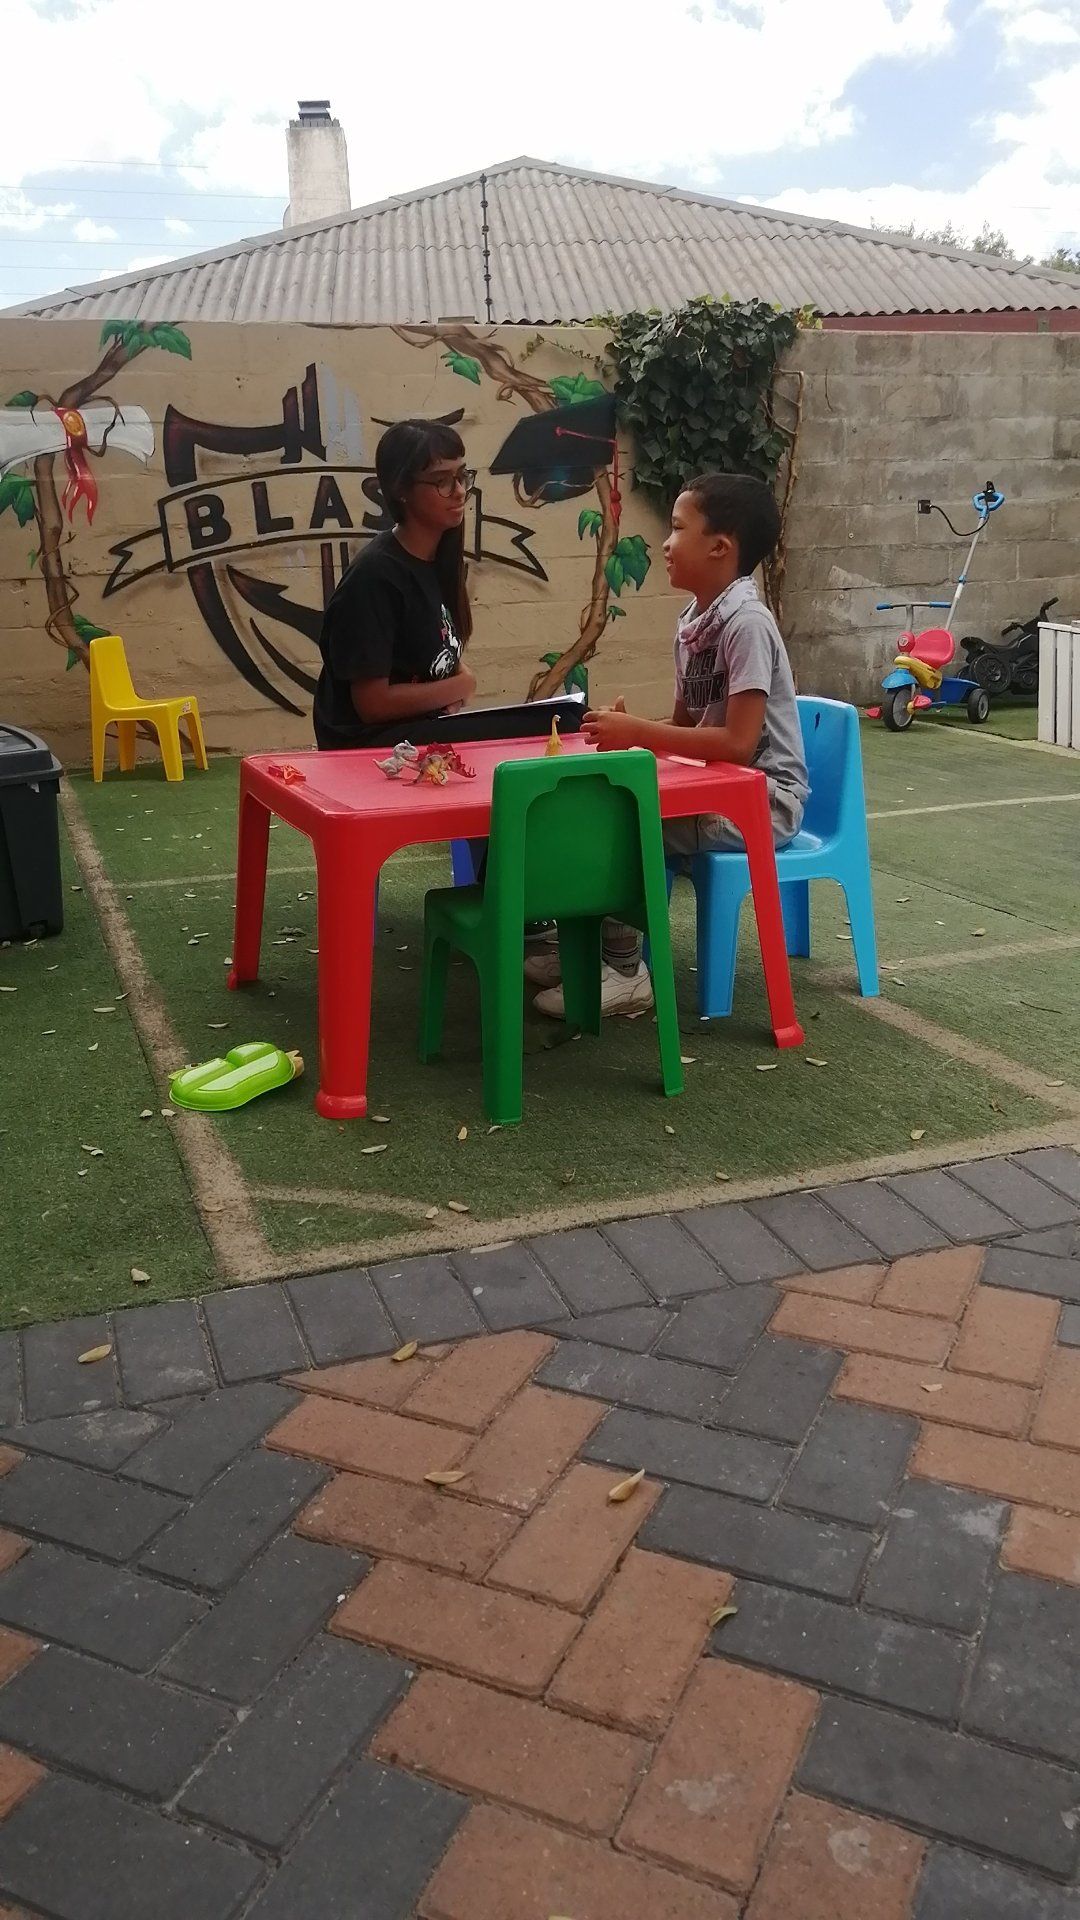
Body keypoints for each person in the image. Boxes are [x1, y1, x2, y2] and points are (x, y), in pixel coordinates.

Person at [527, 470, 809, 1018]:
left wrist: (642, 735)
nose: (665, 541)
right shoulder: (695, 623)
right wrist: (639, 736)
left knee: (623, 823)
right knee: (600, 800)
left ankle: (625, 971)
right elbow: (684, 730)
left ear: (720, 547)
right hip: (718, 788)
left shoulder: (746, 625)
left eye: (678, 528)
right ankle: (582, 948)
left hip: (763, 801)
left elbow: (736, 742)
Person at [313, 419, 477, 750]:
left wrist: (457, 685)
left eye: (462, 476)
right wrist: (463, 685)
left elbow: (440, 652)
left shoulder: (440, 557)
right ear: (401, 489)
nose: (459, 490)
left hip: (419, 730)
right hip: (369, 746)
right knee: (534, 730)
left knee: (560, 718)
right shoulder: (375, 577)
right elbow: (373, 704)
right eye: (442, 481)